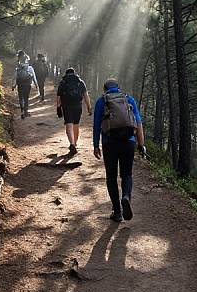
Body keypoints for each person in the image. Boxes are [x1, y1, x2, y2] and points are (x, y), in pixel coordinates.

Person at [93, 78, 145, 222]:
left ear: (105, 89)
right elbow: (138, 122)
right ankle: (126, 196)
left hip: (109, 143)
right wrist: (141, 144)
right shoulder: (129, 99)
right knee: (127, 174)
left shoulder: (101, 101)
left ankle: (117, 212)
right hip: (128, 142)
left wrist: (95, 145)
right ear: (118, 88)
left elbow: (97, 125)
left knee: (111, 177)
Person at [57, 68, 92, 155]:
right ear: (74, 73)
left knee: (69, 124)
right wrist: (89, 107)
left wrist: (58, 107)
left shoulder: (63, 82)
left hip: (66, 106)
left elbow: (59, 96)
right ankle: (75, 143)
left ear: (66, 73)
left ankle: (71, 144)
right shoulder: (80, 81)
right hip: (78, 105)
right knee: (76, 124)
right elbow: (85, 95)